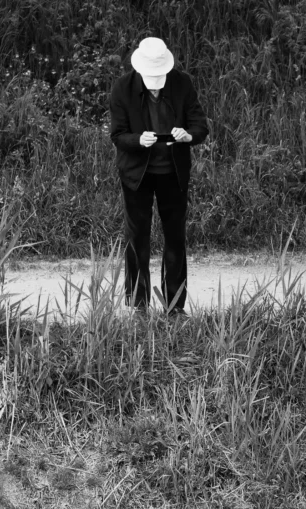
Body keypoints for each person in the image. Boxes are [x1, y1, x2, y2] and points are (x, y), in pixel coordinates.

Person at [109, 37, 209, 315]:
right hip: (136, 175)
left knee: (175, 237)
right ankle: (139, 305)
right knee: (137, 237)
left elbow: (199, 124)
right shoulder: (122, 88)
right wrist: (138, 140)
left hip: (173, 173)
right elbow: (117, 135)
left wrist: (188, 135)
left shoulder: (182, 83)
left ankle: (174, 307)